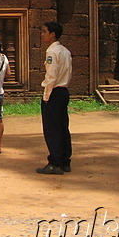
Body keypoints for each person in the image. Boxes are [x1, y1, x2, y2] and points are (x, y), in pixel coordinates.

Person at [36, 21, 72, 175]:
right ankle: (65, 160)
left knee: (52, 129)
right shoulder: (65, 51)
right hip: (63, 91)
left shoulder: (52, 52)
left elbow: (51, 76)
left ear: (52, 34)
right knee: (63, 126)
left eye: (44, 31)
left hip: (54, 92)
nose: (42, 34)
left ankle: (55, 162)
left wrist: (46, 96)